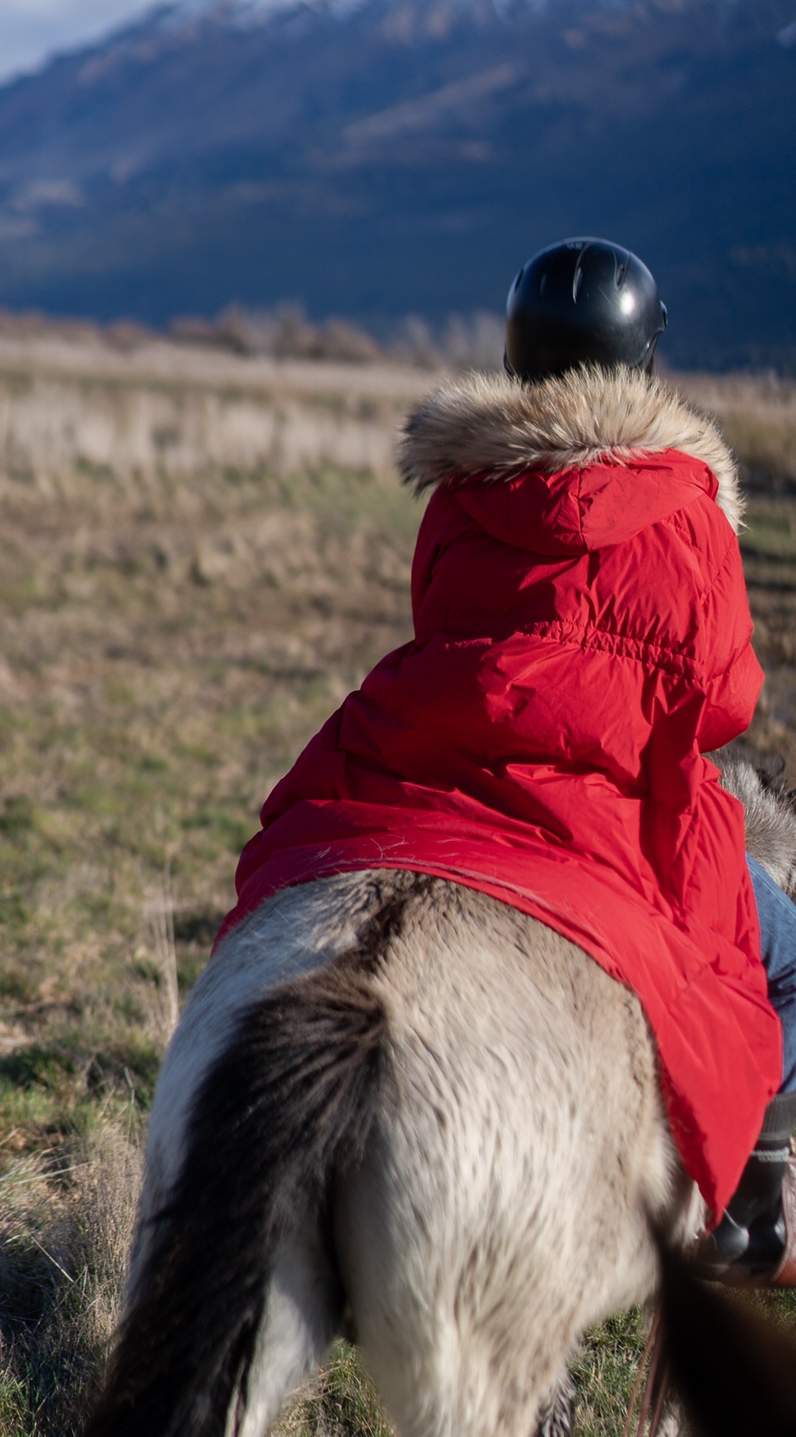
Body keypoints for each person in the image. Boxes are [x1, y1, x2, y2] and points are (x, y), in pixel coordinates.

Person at [217, 237, 796, 1282]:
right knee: (787, 958)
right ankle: (747, 1202)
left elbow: (440, 619)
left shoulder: (457, 493)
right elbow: (726, 697)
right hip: (602, 806)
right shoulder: (686, 511)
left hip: (440, 762)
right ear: (641, 360)